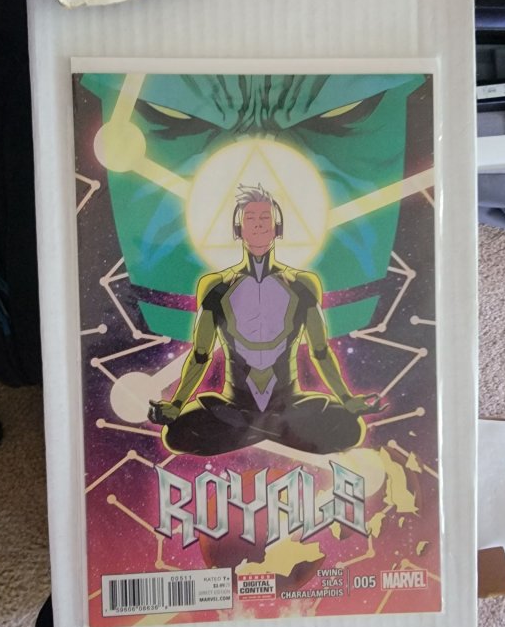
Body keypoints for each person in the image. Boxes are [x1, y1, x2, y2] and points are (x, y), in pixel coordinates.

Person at [148, 184, 385, 455]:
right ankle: (273, 432)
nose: (258, 225)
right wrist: (176, 405)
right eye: (250, 218)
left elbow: (320, 352)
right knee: (176, 435)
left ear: (277, 227)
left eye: (265, 218)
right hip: (236, 406)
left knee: (350, 429)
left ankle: (257, 431)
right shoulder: (215, 286)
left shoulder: (303, 284)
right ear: (238, 228)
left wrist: (346, 399)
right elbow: (200, 356)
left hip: (287, 405)